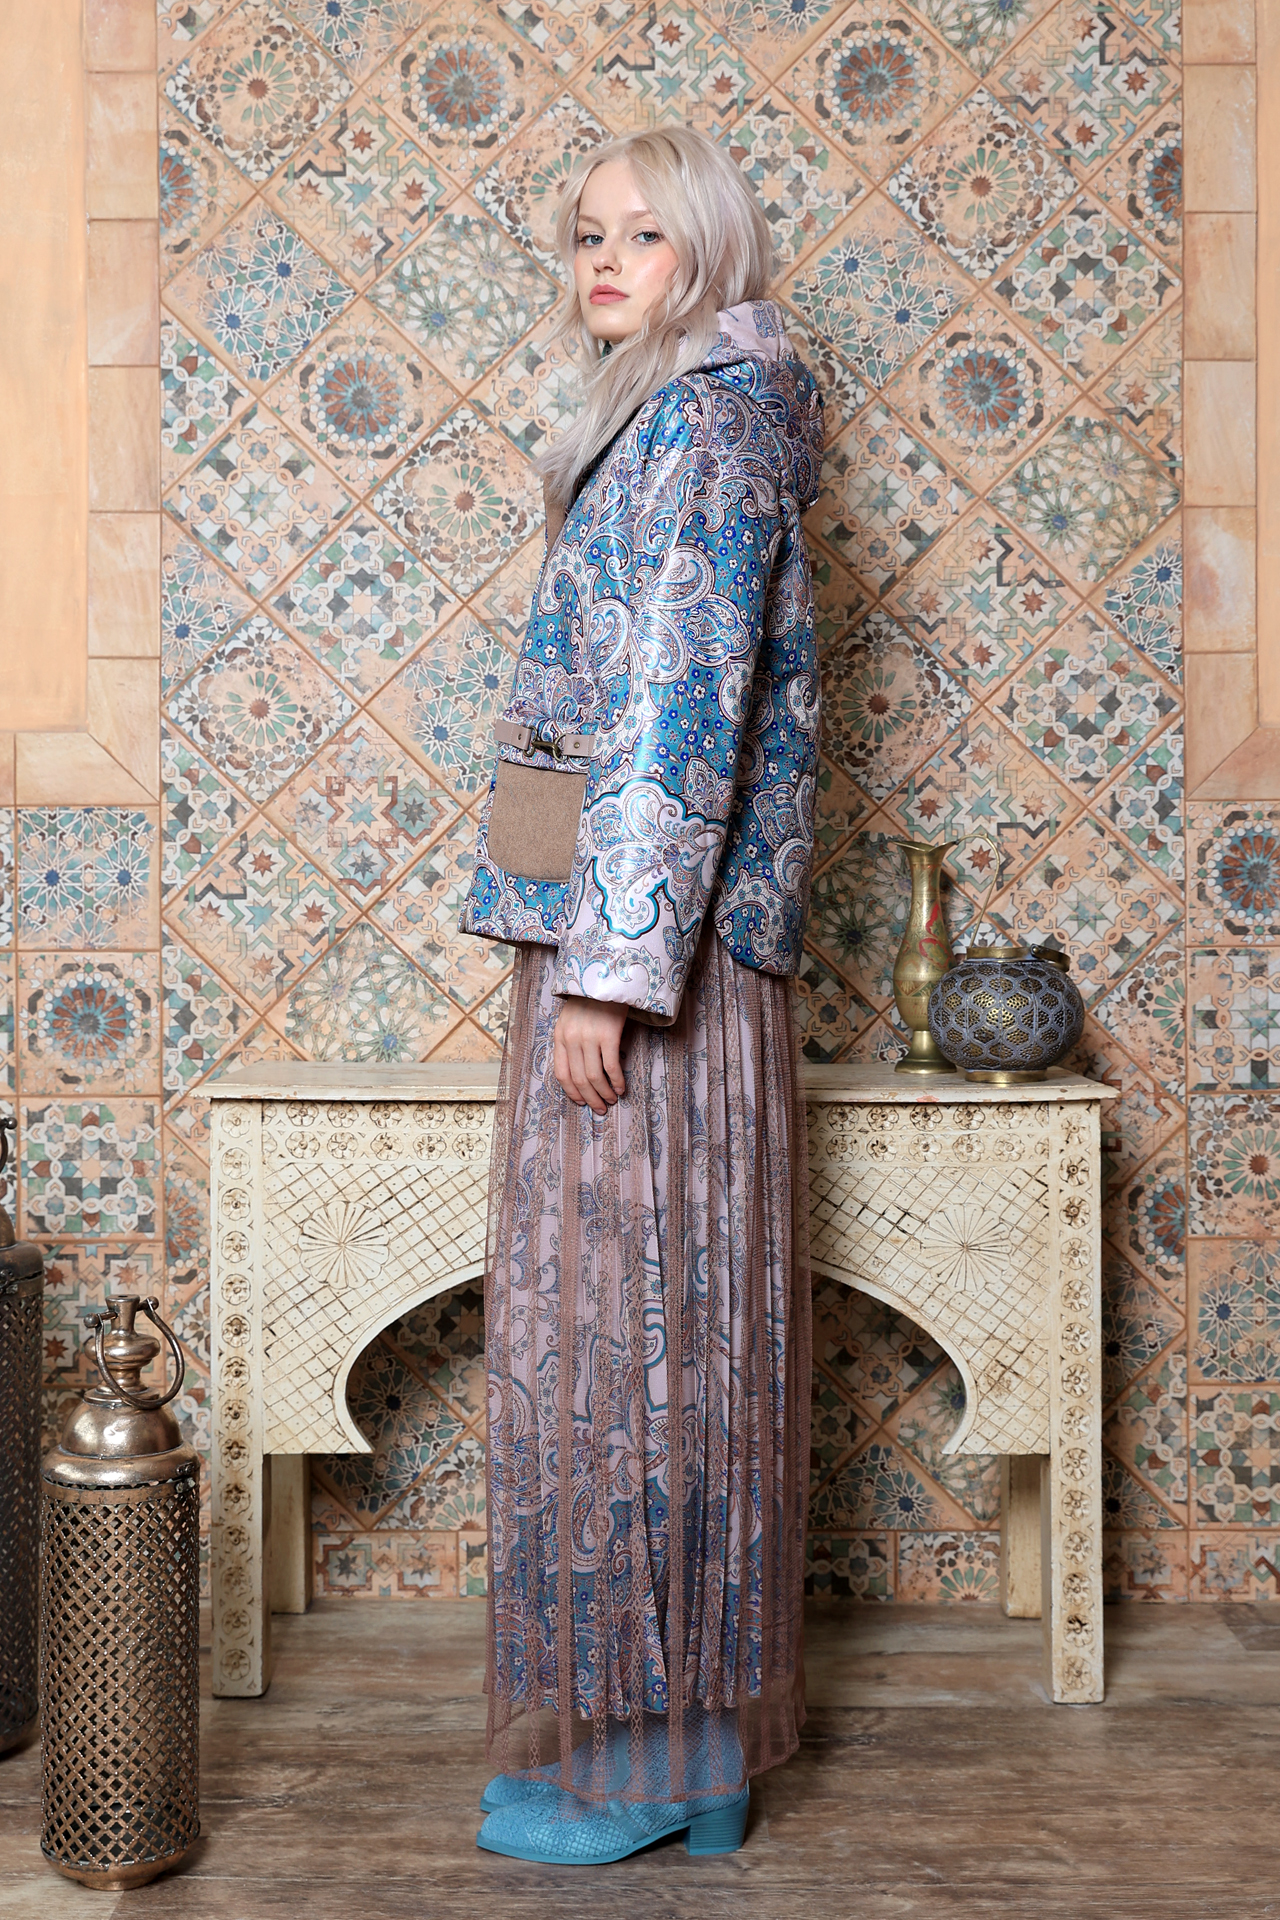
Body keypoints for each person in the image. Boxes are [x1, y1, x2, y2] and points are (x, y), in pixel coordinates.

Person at [458, 124, 823, 1867]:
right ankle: (674, 1748)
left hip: (646, 965)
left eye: (644, 236)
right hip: (622, 938)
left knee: (645, 1349)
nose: (605, 263)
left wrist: (607, 981)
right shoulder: (673, 417)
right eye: (588, 235)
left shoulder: (706, 427)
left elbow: (681, 711)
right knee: (637, 1347)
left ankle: (672, 1763)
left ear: (709, 252)